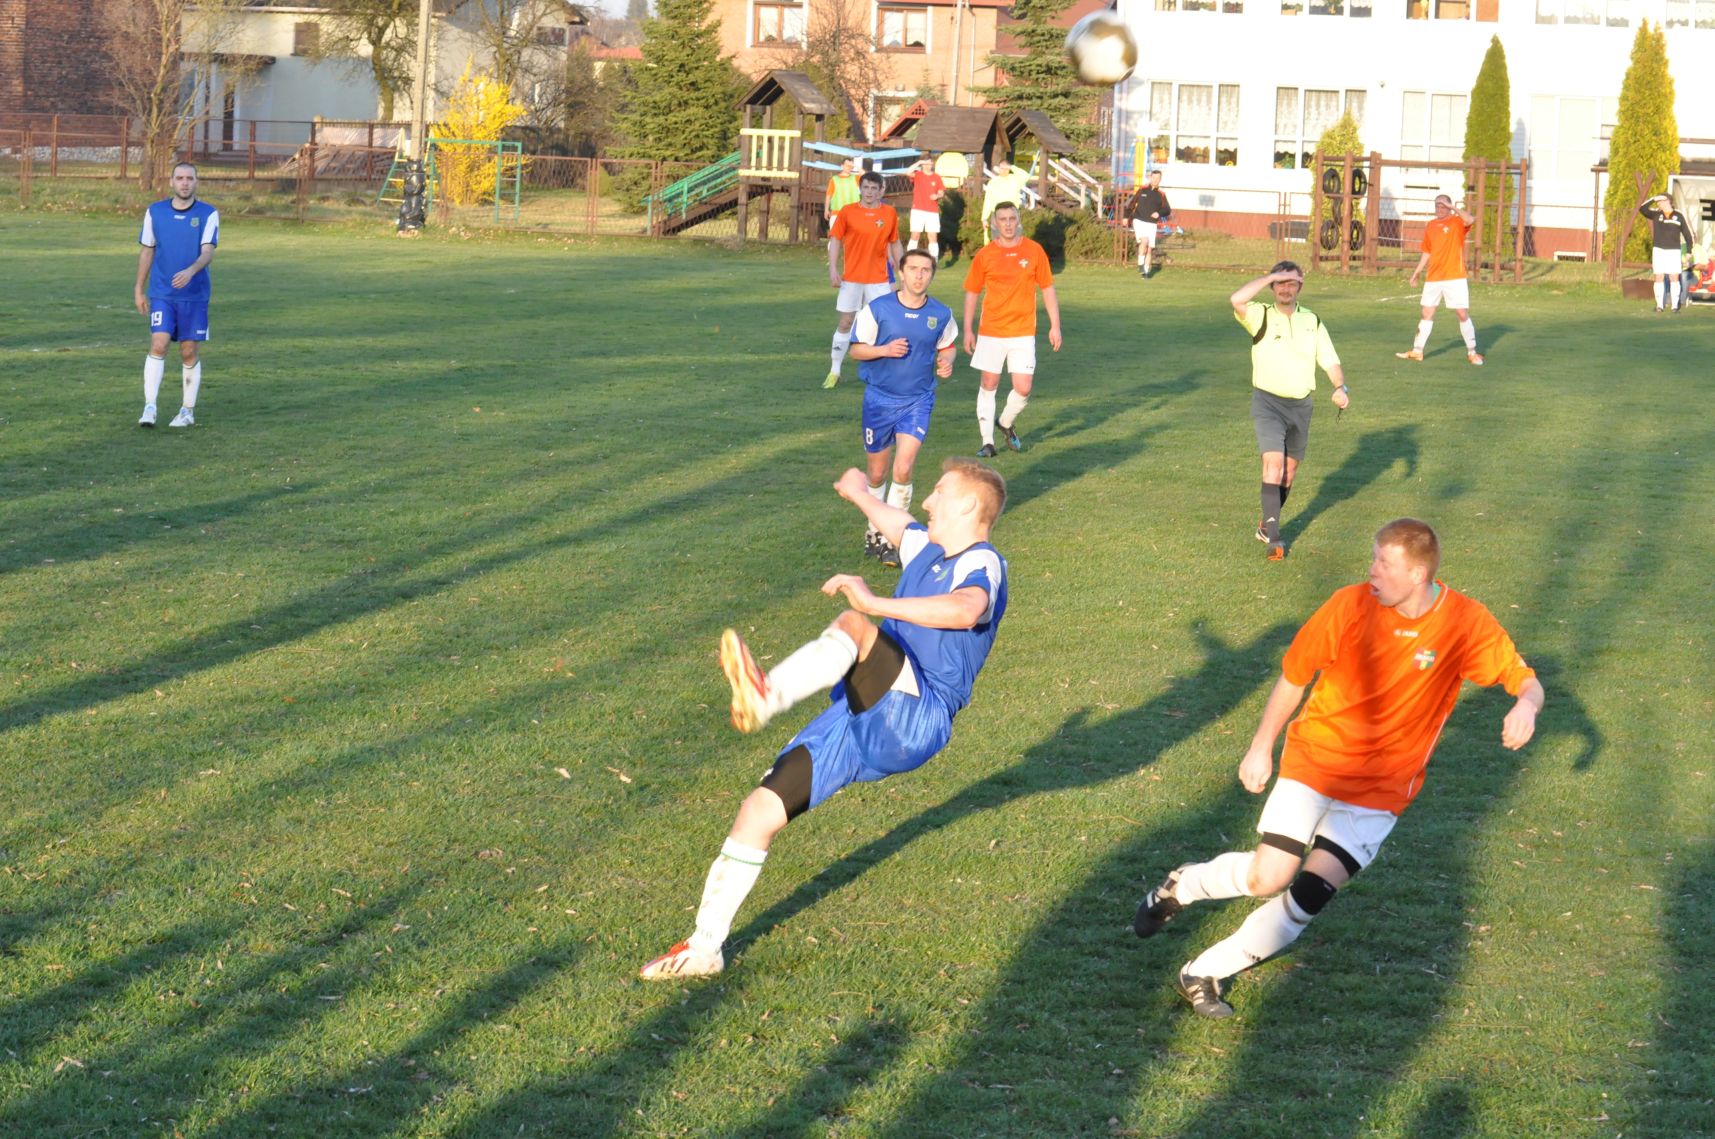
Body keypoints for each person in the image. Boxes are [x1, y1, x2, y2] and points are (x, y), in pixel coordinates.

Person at [1133, 518, 1546, 1019]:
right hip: (1316, 762)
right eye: (1373, 558)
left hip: (1381, 790)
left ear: (1417, 574)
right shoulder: (1349, 605)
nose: (1371, 571)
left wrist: (1526, 706)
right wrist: (1261, 746)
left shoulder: (1464, 621)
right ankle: (1184, 885)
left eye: (1383, 563)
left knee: (1309, 897)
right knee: (1269, 877)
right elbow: (1293, 677)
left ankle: (1203, 973)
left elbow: (1525, 680)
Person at [638, 459, 1010, 981]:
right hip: (862, 711)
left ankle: (765, 696)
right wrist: (858, 491)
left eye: (939, 492)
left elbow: (966, 609)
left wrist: (874, 601)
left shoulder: (983, 562)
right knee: (759, 810)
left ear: (969, 504)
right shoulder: (928, 550)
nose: (927, 501)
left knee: (856, 624)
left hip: (916, 715)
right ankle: (705, 948)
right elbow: (897, 523)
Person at [1230, 261, 1348, 561]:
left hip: (1301, 406)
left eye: (1291, 283)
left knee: (1289, 473)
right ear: (1273, 287)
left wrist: (1340, 387)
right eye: (1280, 283)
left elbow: (1330, 360)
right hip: (1268, 403)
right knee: (1273, 464)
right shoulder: (1260, 315)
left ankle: (1265, 524)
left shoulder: (1312, 321)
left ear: (1300, 286)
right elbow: (1236, 299)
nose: (1285, 288)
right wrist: (1270, 275)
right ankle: (1275, 539)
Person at [849, 249, 958, 567]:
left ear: (932, 275)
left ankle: (894, 538)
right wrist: (884, 349)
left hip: (918, 400)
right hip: (879, 400)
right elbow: (856, 350)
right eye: (913, 269)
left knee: (904, 469)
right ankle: (874, 530)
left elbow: (948, 346)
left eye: (926, 270)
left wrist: (946, 362)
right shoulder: (878, 309)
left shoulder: (941, 313)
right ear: (901, 272)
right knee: (877, 473)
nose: (919, 275)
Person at [962, 203, 1061, 457]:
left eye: (1012, 218)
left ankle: (1005, 422)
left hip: (1023, 331)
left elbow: (1047, 288)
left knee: (1024, 387)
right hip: (991, 330)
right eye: (1002, 219)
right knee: (989, 382)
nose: (1007, 223)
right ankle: (987, 442)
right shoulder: (985, 255)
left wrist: (1055, 325)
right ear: (995, 223)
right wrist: (968, 329)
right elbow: (972, 292)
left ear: (1018, 220)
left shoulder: (1034, 250)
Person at [134, 162, 219, 428]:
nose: (184, 183)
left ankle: (187, 411)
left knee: (188, 351)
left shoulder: (208, 213)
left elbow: (208, 251)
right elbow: (147, 250)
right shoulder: (155, 212)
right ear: (171, 182)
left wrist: (191, 271)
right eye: (179, 178)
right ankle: (150, 407)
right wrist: (139, 289)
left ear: (196, 182)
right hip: (162, 293)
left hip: (194, 295)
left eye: (189, 178)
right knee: (158, 344)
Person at [825, 171, 903, 389]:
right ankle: (835, 371)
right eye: (866, 187)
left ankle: (881, 374)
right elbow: (836, 240)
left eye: (873, 188)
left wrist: (904, 269)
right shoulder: (848, 212)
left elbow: (895, 242)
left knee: (882, 325)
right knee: (846, 322)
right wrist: (833, 268)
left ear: (880, 191)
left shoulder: (889, 213)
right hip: (852, 278)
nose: (869, 192)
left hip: (879, 280)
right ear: (860, 189)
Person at [1397, 194, 1483, 366]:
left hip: (1455, 277)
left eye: (1443, 206)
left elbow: (1471, 219)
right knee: (1426, 313)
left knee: (1461, 313)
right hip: (1434, 277)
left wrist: (1453, 208)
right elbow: (1427, 251)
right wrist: (1417, 272)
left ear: (1449, 207)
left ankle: (1472, 352)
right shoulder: (1431, 225)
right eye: (1437, 205)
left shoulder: (1457, 222)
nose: (1440, 209)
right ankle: (1417, 351)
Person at [1638, 193, 1694, 314]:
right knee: (1659, 276)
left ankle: (1674, 307)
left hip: (1674, 251)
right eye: (1658, 202)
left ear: (1668, 201)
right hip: (1658, 250)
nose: (1658, 203)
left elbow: (1687, 234)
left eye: (1661, 201)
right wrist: (1654, 198)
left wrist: (1689, 251)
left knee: (1674, 277)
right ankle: (1659, 306)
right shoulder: (1656, 214)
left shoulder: (1678, 215)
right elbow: (1642, 209)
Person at [1126, 169, 1171, 279]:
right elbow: (1132, 204)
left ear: (1160, 179)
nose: (1155, 180)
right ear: (1150, 178)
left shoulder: (1161, 194)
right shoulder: (1142, 190)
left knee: (1149, 249)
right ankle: (1140, 265)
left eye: (1158, 178)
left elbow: (1167, 210)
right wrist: (1126, 217)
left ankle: (1145, 273)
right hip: (1139, 220)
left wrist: (1158, 213)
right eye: (1153, 177)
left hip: (1152, 224)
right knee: (1144, 240)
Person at [979, 157, 1032, 245]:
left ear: (1008, 169)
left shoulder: (1015, 179)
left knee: (1015, 242)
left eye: (1005, 168)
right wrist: (984, 218)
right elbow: (988, 200)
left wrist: (1011, 167)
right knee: (997, 243)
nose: (1002, 170)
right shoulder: (993, 182)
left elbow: (1026, 176)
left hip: (1012, 214)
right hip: (997, 215)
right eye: (1001, 168)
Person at [907, 155, 947, 262]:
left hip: (932, 211)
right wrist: (919, 162)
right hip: (918, 210)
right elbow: (908, 172)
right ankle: (909, 258)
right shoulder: (918, 174)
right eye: (925, 164)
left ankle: (934, 260)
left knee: (932, 236)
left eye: (929, 163)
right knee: (915, 234)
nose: (927, 166)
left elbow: (941, 192)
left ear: (932, 164)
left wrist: (937, 196)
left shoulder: (937, 177)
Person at [824, 157, 861, 228]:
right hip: (837, 213)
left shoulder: (855, 178)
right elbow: (829, 195)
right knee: (835, 235)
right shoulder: (834, 179)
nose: (849, 167)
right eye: (847, 165)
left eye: (851, 166)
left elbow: (865, 176)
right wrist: (826, 210)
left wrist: (856, 166)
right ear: (842, 166)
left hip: (852, 213)